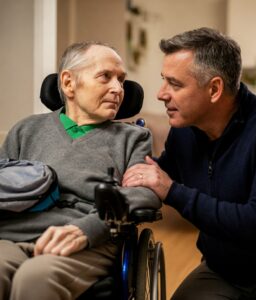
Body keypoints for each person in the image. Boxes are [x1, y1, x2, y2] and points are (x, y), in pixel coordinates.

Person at [122, 27, 256, 299]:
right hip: (224, 270)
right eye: (163, 81)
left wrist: (173, 191)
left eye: (175, 84)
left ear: (215, 89)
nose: (160, 94)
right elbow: (158, 174)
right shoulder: (184, 132)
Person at [0, 41, 160, 300]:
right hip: (12, 236)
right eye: (105, 77)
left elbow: (145, 193)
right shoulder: (25, 130)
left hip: (86, 239)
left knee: (35, 279)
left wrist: (88, 229)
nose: (117, 88)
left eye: (121, 80)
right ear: (68, 83)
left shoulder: (132, 138)